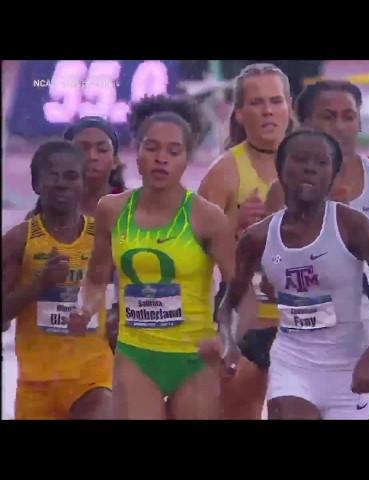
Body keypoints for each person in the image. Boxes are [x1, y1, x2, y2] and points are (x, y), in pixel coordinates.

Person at [201, 129, 369, 419]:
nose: (309, 168)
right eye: (300, 160)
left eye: (320, 163)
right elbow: (231, 301)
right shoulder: (258, 238)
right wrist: (228, 342)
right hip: (293, 364)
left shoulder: (352, 226)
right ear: (280, 168)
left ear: (333, 174)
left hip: (349, 366)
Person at [69, 95, 236, 419]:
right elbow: (95, 279)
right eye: (152, 148)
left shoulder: (208, 217)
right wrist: (84, 307)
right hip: (136, 355)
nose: (161, 159)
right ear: (136, 151)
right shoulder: (112, 210)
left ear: (187, 159)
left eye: (173, 152)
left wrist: (227, 337)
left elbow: (238, 290)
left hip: (194, 357)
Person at [266, 80, 369, 419]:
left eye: (349, 116)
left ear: (360, 123)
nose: (340, 126)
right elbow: (274, 264)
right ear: (304, 124)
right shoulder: (283, 191)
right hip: (310, 328)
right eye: (328, 116)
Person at [198, 63, 295, 419]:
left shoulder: (314, 163)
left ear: (290, 107)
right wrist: (233, 227)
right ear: (239, 113)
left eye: (275, 101)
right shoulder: (224, 172)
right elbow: (194, 254)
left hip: (304, 323)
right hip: (247, 325)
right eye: (256, 103)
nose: (268, 110)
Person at [2, 141, 113, 419]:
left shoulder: (103, 237)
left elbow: (126, 294)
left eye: (71, 176)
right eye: (52, 175)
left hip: (92, 376)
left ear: (84, 183)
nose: (61, 183)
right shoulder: (18, 240)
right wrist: (39, 285)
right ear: (36, 184)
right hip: (36, 383)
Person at [63, 116, 127, 350]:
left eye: (102, 149)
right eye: (83, 148)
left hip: (120, 337)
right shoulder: (43, 217)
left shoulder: (135, 212)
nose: (92, 156)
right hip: (60, 337)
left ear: (115, 160)